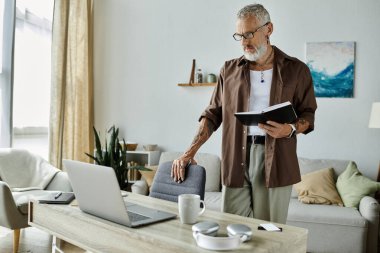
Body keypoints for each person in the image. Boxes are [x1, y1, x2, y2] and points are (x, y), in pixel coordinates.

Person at [171, 3, 317, 224]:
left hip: (276, 158)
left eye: (249, 34)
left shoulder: (297, 70)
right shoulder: (228, 70)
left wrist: (291, 129)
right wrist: (189, 153)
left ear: (268, 29)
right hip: (235, 157)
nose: (244, 42)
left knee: (268, 232)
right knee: (231, 227)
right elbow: (212, 114)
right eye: (239, 36)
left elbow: (308, 113)